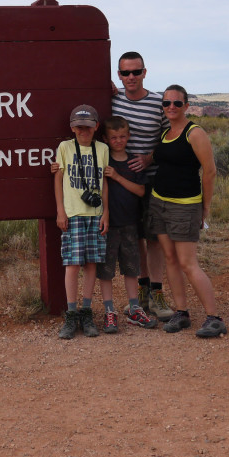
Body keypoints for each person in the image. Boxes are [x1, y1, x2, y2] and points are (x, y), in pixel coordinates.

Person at [147, 85, 227, 338]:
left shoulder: (195, 133)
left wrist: (205, 206)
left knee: (188, 263)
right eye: (166, 103)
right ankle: (181, 312)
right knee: (170, 259)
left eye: (176, 104)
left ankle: (214, 318)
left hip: (185, 206)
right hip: (159, 202)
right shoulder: (166, 133)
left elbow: (210, 171)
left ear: (186, 106)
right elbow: (161, 158)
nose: (171, 107)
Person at [110, 51, 176, 320]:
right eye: (125, 73)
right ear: (119, 75)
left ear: (145, 73)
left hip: (151, 181)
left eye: (136, 72)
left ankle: (158, 294)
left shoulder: (157, 103)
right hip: (122, 183)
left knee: (154, 239)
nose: (131, 77)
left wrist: (149, 158)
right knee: (135, 238)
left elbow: (169, 137)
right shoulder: (113, 101)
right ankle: (143, 292)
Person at [54, 104, 109, 339]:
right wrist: (60, 211)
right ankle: (72, 312)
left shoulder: (103, 149)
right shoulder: (65, 147)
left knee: (92, 264)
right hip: (73, 213)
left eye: (87, 126)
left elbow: (105, 183)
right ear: (72, 128)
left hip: (95, 214)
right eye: (78, 127)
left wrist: (106, 212)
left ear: (96, 127)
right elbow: (58, 179)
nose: (83, 130)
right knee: (72, 264)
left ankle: (87, 311)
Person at [100, 116, 158, 332]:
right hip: (108, 224)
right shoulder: (103, 159)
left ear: (129, 136)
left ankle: (135, 308)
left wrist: (116, 176)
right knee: (105, 270)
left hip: (130, 223)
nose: (118, 141)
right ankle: (109, 311)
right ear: (106, 138)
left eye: (123, 136)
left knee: (132, 268)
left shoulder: (134, 162)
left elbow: (141, 190)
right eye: (114, 137)